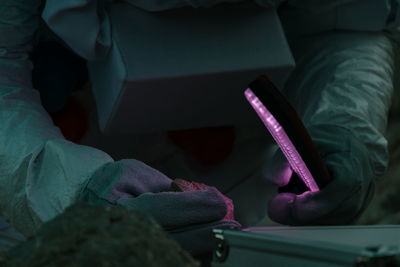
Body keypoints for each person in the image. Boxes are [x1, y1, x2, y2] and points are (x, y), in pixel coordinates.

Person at [0, 0, 399, 257]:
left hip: (240, 191)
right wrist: (70, 189)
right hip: (50, 189)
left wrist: (345, 125)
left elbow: (343, 24)